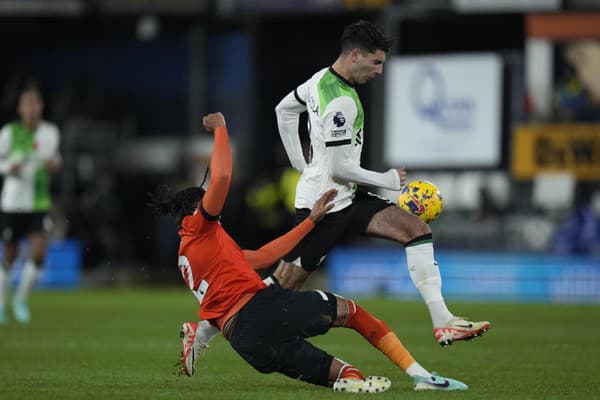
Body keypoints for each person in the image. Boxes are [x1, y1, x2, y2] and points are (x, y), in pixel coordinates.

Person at [149, 112, 468, 392]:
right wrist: (220, 129)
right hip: (262, 312)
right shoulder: (201, 224)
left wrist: (310, 222)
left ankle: (352, 381)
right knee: (352, 312)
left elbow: (261, 258)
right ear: (195, 208)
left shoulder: (188, 254)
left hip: (247, 346)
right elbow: (221, 177)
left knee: (346, 375)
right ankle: (422, 376)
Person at [270, 19, 490, 347]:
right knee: (282, 284)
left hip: (346, 197)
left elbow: (284, 110)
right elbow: (340, 168)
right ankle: (208, 326)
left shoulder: (319, 80)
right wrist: (385, 180)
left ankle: (444, 322)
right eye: (376, 62)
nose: (379, 71)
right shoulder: (341, 101)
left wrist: (302, 165)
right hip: (324, 205)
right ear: (355, 55)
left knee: (415, 230)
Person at [0, 84, 61, 323]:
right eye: (27, 103)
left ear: (41, 107)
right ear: (20, 108)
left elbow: (55, 158)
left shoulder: (50, 132)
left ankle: (20, 299)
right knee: (10, 255)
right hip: (12, 201)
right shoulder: (8, 133)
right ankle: (2, 303)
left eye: (35, 103)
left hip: (39, 201)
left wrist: (55, 165)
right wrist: (8, 168)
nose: (32, 108)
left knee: (39, 252)